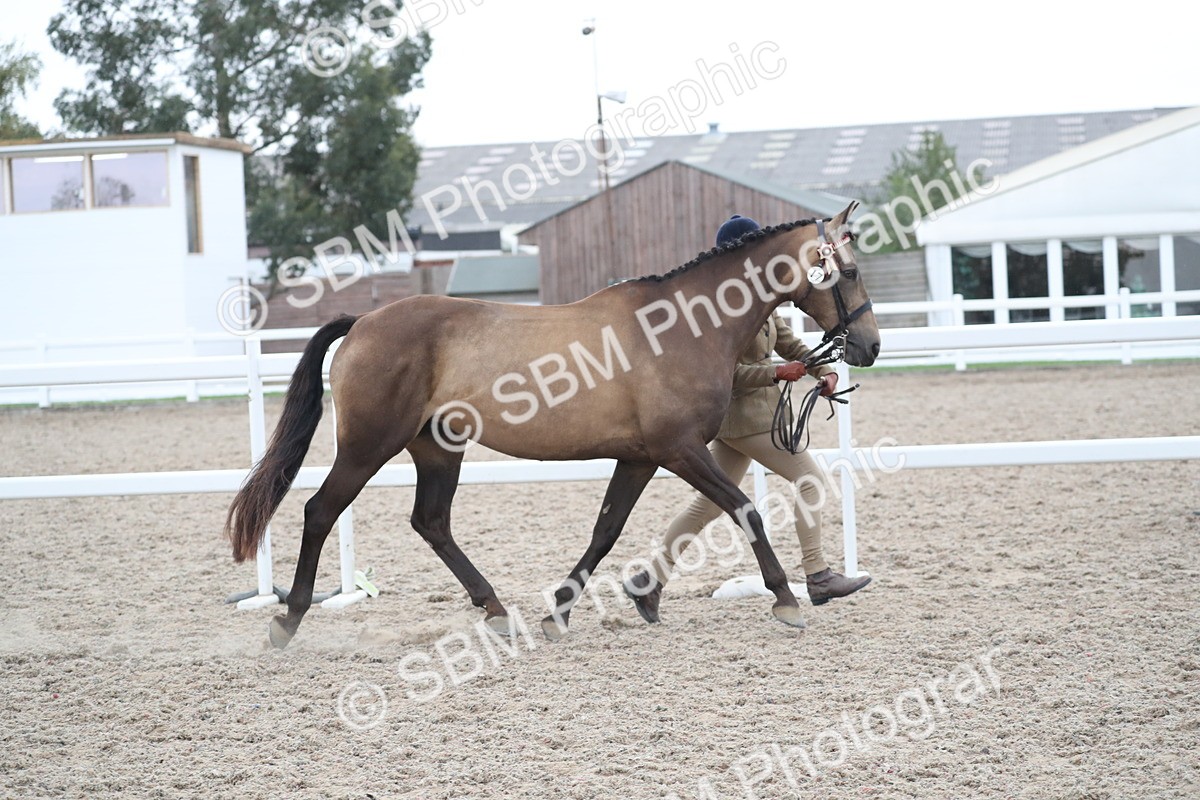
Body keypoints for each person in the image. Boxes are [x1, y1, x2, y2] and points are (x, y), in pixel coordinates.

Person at [625, 214, 872, 623]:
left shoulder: (759, 300)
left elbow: (788, 342)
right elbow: (726, 374)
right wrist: (775, 373)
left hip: (746, 421)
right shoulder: (719, 310)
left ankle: (649, 580)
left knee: (706, 505)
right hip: (747, 418)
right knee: (810, 481)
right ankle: (818, 574)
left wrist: (820, 369)